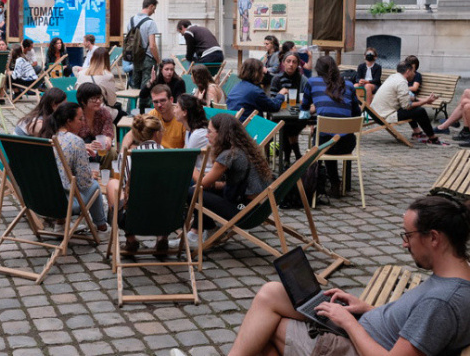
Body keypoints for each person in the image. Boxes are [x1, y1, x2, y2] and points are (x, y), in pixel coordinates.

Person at [226, 194, 470, 356]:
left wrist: (348, 322)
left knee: (268, 329)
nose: (405, 244)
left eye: (408, 235)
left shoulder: (441, 301)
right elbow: (414, 325)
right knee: (272, 293)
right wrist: (365, 308)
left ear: (434, 238)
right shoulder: (453, 280)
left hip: (354, 346)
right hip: (359, 332)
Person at [185, 113, 273, 247]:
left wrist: (188, 163)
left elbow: (201, 184)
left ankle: (208, 229)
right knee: (207, 190)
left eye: (209, 132)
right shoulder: (243, 149)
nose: (206, 135)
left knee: (192, 192)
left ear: (221, 134)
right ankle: (197, 232)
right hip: (257, 207)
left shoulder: (229, 155)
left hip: (243, 212)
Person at [40, 102, 108, 232]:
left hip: (39, 200)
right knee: (94, 185)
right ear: (69, 121)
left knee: (61, 183)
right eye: (80, 119)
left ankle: (60, 225)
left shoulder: (45, 138)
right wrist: (90, 175)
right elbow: (84, 182)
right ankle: (102, 227)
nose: (83, 123)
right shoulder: (75, 141)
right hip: (63, 204)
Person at [300, 56, 363, 196]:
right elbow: (356, 113)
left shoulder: (312, 83)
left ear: (317, 69)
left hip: (325, 145)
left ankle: (330, 182)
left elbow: (304, 109)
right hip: (348, 144)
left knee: (326, 139)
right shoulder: (349, 85)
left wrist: (315, 109)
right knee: (334, 135)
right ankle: (337, 184)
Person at [106, 114, 166, 255]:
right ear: (157, 133)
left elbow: (123, 180)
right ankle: (162, 236)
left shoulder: (128, 156)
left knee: (113, 184)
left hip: (133, 218)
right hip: (167, 216)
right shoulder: (172, 156)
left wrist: (124, 147)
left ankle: (131, 239)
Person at [371, 61, 446, 145]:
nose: (414, 74)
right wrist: (425, 101)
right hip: (384, 116)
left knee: (413, 108)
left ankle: (417, 133)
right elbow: (407, 106)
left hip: (376, 113)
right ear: (408, 71)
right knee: (420, 111)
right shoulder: (402, 82)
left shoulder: (393, 77)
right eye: (413, 71)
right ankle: (432, 138)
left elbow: (406, 98)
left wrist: (424, 99)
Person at [270, 52, 309, 164]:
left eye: (294, 62)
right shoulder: (277, 79)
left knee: (289, 126)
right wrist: (279, 96)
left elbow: (307, 99)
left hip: (299, 116)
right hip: (281, 114)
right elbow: (272, 99)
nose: (291, 64)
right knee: (286, 124)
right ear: (283, 63)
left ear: (298, 65)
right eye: (288, 61)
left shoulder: (303, 80)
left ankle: (287, 159)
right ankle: (296, 155)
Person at [227, 58, 287, 122]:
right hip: (247, 128)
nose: (263, 75)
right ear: (257, 73)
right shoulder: (255, 91)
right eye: (262, 73)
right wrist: (280, 94)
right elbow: (274, 107)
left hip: (234, 124)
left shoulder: (237, 86)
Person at [128, 0, 161, 111]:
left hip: (135, 58)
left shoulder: (131, 20)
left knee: (134, 88)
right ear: (150, 6)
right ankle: (144, 115)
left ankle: (130, 111)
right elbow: (152, 45)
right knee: (146, 88)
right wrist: (158, 60)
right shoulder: (150, 23)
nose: (154, 11)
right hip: (147, 59)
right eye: (154, 8)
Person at [75, 82, 117, 169]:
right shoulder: (75, 115)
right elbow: (69, 137)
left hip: (99, 147)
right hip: (79, 148)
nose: (98, 101)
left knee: (112, 152)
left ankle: (105, 176)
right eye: (93, 99)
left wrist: (107, 142)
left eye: (99, 97)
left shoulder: (104, 113)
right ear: (83, 101)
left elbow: (108, 134)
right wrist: (85, 146)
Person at [76, 47, 120, 119]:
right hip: (98, 110)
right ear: (107, 60)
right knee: (122, 115)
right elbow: (112, 102)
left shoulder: (81, 73)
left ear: (92, 58)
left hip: (83, 111)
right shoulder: (107, 76)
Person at [174, 93, 210, 168]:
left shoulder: (197, 134)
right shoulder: (189, 130)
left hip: (202, 174)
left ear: (184, 112)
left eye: (177, 107)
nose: (174, 110)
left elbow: (185, 160)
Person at [144, 84, 185, 149]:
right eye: (155, 102)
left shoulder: (182, 117)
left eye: (162, 100)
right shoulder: (152, 115)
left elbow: (188, 147)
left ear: (171, 100)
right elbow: (131, 135)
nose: (159, 105)